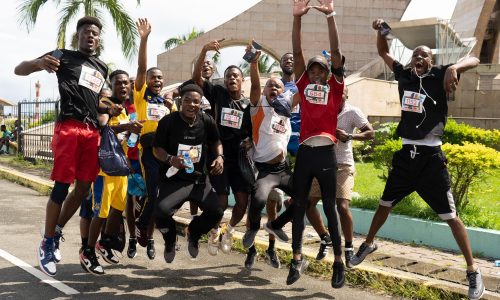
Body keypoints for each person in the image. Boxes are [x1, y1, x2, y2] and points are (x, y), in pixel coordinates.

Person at [350, 18, 484, 300]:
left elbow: (475, 57)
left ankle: (473, 271)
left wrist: (456, 68)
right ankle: (369, 244)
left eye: (425, 55)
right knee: (384, 204)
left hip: (431, 158)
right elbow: (384, 53)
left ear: (432, 60)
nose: (419, 58)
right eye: (415, 55)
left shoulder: (440, 75)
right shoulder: (405, 76)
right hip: (405, 156)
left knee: (451, 217)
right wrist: (381, 34)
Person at [14, 16, 122, 277]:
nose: (91, 36)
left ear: (99, 39)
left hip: (90, 131)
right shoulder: (63, 55)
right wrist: (39, 63)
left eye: (95, 33)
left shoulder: (101, 67)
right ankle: (47, 243)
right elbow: (20, 69)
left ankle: (56, 229)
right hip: (69, 128)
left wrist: (110, 106)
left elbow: (98, 101)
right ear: (79, 36)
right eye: (86, 32)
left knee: (84, 187)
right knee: (62, 186)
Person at [288, 0, 346, 288]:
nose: (315, 73)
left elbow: (336, 53)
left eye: (320, 69)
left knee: (330, 209)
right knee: (298, 206)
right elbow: (297, 52)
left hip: (326, 155)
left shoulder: (335, 88)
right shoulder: (303, 86)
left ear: (328, 72)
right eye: (312, 70)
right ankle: (296, 258)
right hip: (305, 154)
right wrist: (297, 18)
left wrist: (330, 16)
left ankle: (338, 262)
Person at [152, 84, 224, 263]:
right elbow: (156, 149)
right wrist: (170, 159)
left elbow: (216, 141)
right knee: (160, 213)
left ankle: (194, 232)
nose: (192, 105)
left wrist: (220, 157)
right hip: (175, 179)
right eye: (187, 101)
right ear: (180, 102)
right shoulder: (168, 122)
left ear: (200, 103)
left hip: (198, 179)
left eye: (196, 102)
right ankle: (170, 240)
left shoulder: (206, 120)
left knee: (216, 212)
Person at [193, 40, 253, 256]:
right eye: (228, 76)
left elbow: (252, 129)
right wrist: (204, 50)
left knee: (242, 202)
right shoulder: (218, 93)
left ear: (241, 80)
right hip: (218, 155)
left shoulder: (247, 105)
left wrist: (250, 141)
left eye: (235, 76)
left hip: (239, 159)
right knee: (220, 200)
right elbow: (196, 79)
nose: (231, 79)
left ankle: (229, 231)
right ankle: (214, 229)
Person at [80, 70, 142, 275]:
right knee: (100, 212)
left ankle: (105, 242)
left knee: (117, 209)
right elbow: (103, 127)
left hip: (121, 170)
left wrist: (132, 132)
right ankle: (87, 252)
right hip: (104, 173)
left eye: (126, 83)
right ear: (111, 84)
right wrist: (127, 126)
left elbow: (126, 135)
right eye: (119, 83)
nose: (123, 86)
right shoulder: (106, 105)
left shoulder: (126, 109)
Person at [242, 45, 296, 270]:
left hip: (283, 169)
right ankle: (254, 228)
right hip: (264, 170)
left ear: (284, 92)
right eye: (270, 85)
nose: (274, 88)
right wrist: (254, 63)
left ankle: (275, 225)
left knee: (303, 199)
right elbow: (255, 84)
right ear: (265, 91)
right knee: (258, 202)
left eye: (279, 86)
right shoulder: (259, 107)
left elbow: (301, 88)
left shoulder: (286, 110)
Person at [133, 18, 176, 259]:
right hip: (149, 152)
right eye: (153, 77)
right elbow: (140, 69)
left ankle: (145, 223)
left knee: (163, 195)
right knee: (154, 192)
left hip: (166, 155)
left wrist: (173, 106)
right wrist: (144, 39)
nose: (157, 81)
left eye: (160, 78)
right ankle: (141, 224)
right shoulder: (142, 96)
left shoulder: (167, 104)